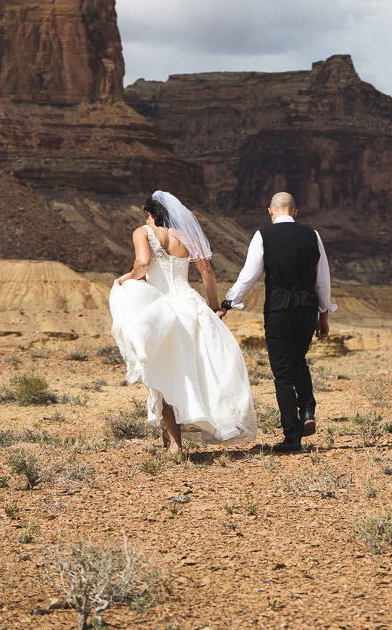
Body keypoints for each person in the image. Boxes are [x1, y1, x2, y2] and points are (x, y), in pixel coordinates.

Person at [109, 191, 256, 453]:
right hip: (191, 307)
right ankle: (201, 423)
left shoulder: (142, 232)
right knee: (195, 370)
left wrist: (128, 277)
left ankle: (175, 443)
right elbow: (207, 272)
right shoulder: (186, 235)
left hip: (161, 309)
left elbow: (143, 264)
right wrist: (214, 307)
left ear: (147, 213)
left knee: (165, 372)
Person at [217, 191, 336, 454]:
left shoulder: (263, 236)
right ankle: (307, 409)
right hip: (306, 309)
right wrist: (324, 314)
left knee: (283, 374)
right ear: (296, 212)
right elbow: (322, 278)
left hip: (278, 310)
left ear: (270, 211)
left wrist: (228, 303)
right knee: (299, 361)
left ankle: (292, 437)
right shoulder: (312, 235)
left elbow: (248, 276)